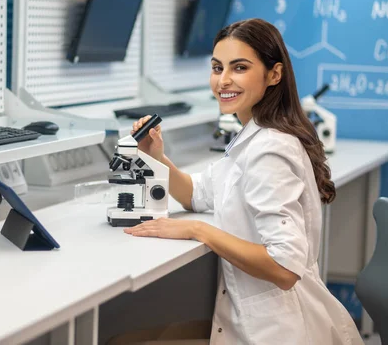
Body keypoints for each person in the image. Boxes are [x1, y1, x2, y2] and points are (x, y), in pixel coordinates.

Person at [125, 18, 363, 344]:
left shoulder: (269, 150)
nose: (223, 80)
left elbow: (284, 267)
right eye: (216, 68)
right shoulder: (253, 136)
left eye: (239, 68)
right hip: (255, 321)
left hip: (277, 332)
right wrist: (156, 157)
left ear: (274, 74)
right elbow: (197, 194)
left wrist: (199, 230)